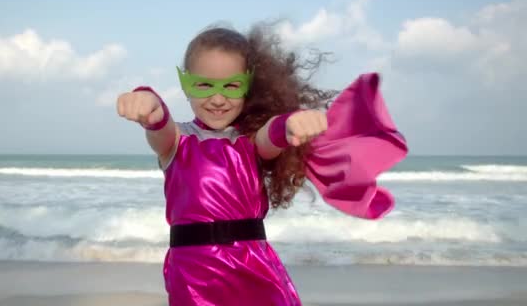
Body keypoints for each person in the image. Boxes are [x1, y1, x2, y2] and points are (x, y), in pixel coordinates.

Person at [117, 23, 408, 306]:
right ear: (185, 83)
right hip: (194, 273)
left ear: (248, 85)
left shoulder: (250, 141)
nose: (218, 99)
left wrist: (289, 124)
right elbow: (159, 124)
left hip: (253, 266)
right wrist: (149, 104)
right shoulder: (177, 141)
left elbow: (272, 135)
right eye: (204, 85)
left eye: (231, 86)